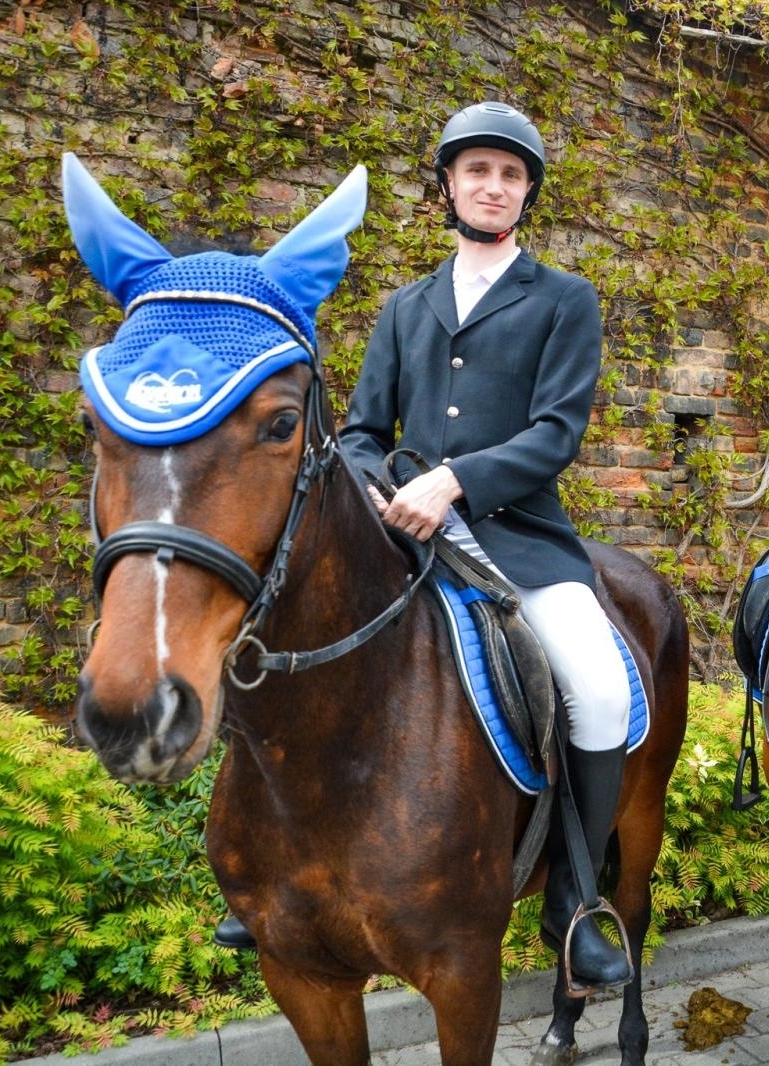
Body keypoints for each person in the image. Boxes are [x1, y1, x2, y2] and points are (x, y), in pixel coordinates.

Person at [221, 101, 635, 991]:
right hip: (396, 533)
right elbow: (364, 429)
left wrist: (457, 482)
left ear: (527, 194)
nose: (493, 186)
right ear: (447, 185)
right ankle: (260, 872)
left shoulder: (564, 299)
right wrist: (383, 489)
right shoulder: (405, 306)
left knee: (598, 686)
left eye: (510, 174)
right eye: (477, 171)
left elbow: (557, 433)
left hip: (519, 539)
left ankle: (576, 892)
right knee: (268, 639)